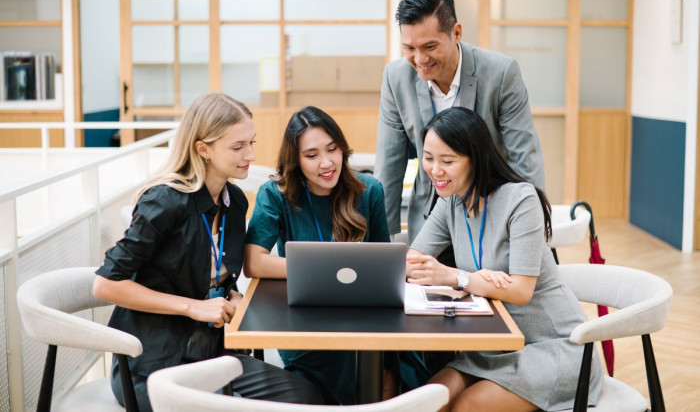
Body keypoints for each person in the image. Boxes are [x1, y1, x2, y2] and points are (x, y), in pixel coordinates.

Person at [93, 93, 323, 411]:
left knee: (305, 396)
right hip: (152, 368)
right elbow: (106, 285)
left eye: (252, 143)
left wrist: (234, 298)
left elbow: (219, 277)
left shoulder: (235, 202)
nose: (251, 155)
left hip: (211, 355)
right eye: (238, 147)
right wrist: (193, 307)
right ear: (203, 149)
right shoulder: (163, 202)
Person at [406, 107, 602, 412]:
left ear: (476, 158)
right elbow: (412, 262)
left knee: (467, 405)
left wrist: (459, 278)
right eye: (428, 159)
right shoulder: (451, 203)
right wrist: (480, 280)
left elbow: (521, 291)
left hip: (552, 347)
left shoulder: (520, 199)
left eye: (448, 161)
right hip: (493, 347)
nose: (435, 170)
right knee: (433, 396)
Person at [245, 106, 430, 405]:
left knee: (388, 376)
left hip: (365, 317)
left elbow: (384, 262)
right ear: (296, 160)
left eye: (332, 149)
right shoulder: (276, 194)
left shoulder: (369, 190)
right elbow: (254, 262)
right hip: (305, 321)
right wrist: (321, 269)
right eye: (312, 155)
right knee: (319, 390)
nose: (326, 163)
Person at [375, 0, 545, 252]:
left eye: (429, 46)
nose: (420, 60)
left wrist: (528, 231)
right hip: (429, 217)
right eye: (410, 48)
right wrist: (380, 242)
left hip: (490, 213)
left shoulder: (500, 73)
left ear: (456, 33)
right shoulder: (396, 78)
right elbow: (389, 163)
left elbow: (524, 158)